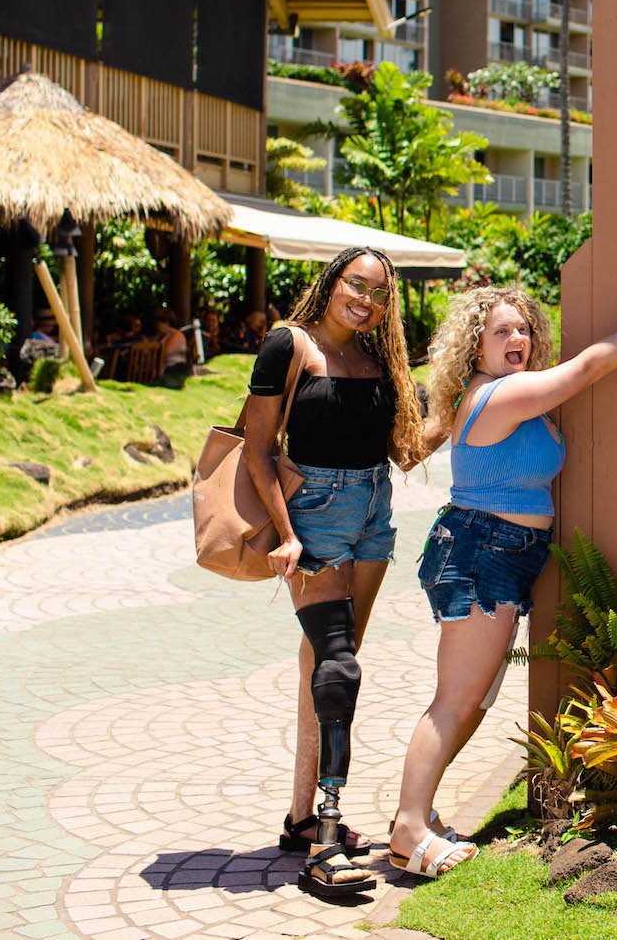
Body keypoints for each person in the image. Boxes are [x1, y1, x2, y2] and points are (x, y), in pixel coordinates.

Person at [386, 270, 617, 879]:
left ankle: (421, 817)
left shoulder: (504, 391)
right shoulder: (496, 396)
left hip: (501, 550)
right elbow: (583, 372)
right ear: (476, 345)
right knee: (456, 699)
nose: (517, 339)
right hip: (481, 552)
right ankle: (409, 828)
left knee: (472, 700)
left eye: (523, 329)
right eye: (502, 332)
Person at [242, 248, 424, 899]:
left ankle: (298, 817)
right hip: (313, 516)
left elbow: (405, 451)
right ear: (332, 281)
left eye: (379, 292)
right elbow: (259, 447)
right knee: (339, 667)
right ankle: (325, 836)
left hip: (373, 514)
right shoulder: (288, 346)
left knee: (324, 664)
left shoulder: (379, 361)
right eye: (357, 284)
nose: (367, 299)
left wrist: (465, 394)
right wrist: (287, 534)